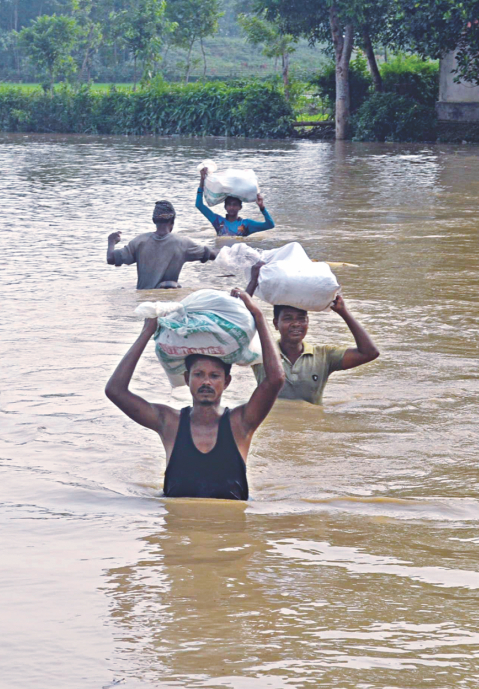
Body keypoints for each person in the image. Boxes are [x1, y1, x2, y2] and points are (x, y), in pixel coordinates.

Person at [105, 289, 285, 501]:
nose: (206, 382)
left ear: (226, 382)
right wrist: (147, 332)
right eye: (199, 375)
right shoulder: (169, 422)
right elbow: (114, 390)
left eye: (214, 376)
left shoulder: (241, 423)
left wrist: (258, 316)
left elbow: (275, 379)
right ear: (187, 378)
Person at [246, 275, 380, 403]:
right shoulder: (262, 354)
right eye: (288, 318)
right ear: (276, 324)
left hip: (309, 426)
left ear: (307, 322)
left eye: (301, 318)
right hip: (273, 426)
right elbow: (237, 329)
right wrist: (252, 283)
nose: (296, 324)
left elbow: (369, 352)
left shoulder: (323, 356)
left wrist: (343, 312)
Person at [108, 200, 216, 290]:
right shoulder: (183, 243)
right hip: (168, 304)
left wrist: (111, 241)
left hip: (144, 303)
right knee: (173, 285)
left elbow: (111, 258)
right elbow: (212, 255)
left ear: (154, 220)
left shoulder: (139, 242)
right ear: (172, 221)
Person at [196, 169, 275, 237]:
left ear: (240, 207)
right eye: (229, 205)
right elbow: (199, 205)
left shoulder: (246, 224)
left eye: (235, 205)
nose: (231, 207)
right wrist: (202, 180)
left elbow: (270, 225)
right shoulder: (217, 221)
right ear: (225, 207)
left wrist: (262, 207)